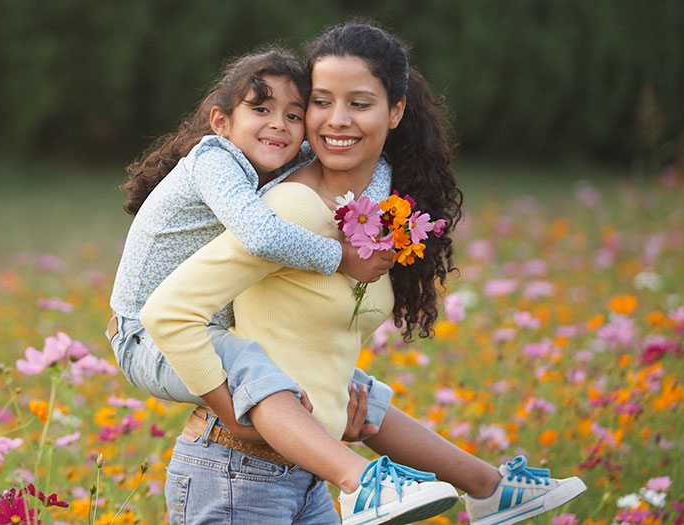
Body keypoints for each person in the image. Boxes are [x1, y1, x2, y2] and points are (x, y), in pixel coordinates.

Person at [141, 22, 586, 525]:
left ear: (396, 111)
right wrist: (231, 414)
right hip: (236, 472)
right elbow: (169, 312)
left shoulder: (376, 213)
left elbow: (310, 343)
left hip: (308, 476)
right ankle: (400, 484)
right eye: (322, 101)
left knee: (365, 394)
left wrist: (333, 411)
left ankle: (487, 487)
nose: (336, 120)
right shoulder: (289, 210)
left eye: (359, 103)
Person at [110, 48, 457, 524]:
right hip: (141, 335)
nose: (279, 124)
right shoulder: (215, 159)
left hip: (220, 356)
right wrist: (342, 257)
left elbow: (362, 163)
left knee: (347, 388)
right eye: (260, 109)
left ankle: (488, 487)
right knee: (255, 368)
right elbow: (260, 234)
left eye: (294, 115)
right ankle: (360, 481)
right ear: (220, 121)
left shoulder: (282, 161)